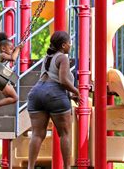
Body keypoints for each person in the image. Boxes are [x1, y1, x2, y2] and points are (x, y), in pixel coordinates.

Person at [27, 31, 81, 169]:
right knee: (65, 133)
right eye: (69, 42)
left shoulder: (48, 57)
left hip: (36, 93)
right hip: (54, 93)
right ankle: (67, 167)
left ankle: (30, 166)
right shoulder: (62, 57)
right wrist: (76, 91)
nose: (71, 45)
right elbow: (62, 80)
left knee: (37, 134)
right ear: (63, 45)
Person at [0, 32, 21, 110]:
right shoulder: (2, 55)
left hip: (0, 79)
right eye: (11, 49)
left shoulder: (4, 56)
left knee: (13, 97)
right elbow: (13, 58)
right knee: (15, 97)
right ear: (3, 49)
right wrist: (17, 49)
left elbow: (13, 57)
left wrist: (16, 50)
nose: (12, 50)